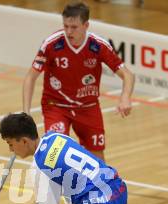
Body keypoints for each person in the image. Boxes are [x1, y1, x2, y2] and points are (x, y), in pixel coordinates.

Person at [23, 1, 135, 162]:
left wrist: (125, 96)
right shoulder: (51, 44)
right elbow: (30, 77)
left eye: (74, 27)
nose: (68, 31)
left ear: (86, 25)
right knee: (56, 155)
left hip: (88, 107)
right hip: (56, 106)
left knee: (97, 159)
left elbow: (128, 75)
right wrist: (26, 113)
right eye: (65, 26)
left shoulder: (99, 45)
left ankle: (97, 187)